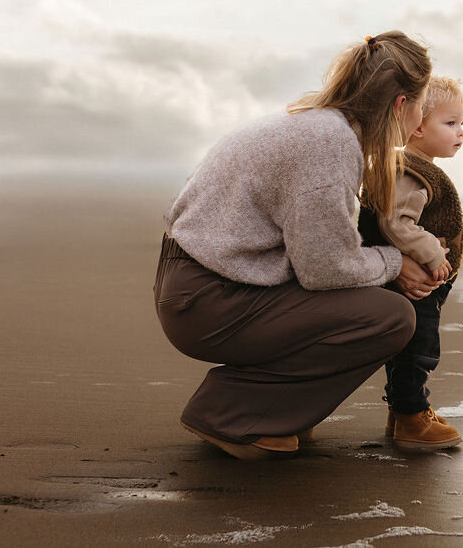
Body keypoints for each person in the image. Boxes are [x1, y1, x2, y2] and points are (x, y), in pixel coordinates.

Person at [153, 31, 443, 460]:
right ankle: (230, 412)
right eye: (421, 106)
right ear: (401, 104)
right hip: (209, 299)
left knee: (367, 298)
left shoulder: (319, 125)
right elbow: (325, 270)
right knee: (391, 317)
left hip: (202, 283)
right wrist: (396, 261)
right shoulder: (330, 145)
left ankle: (275, 410)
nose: (421, 121)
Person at [358, 76, 463, 450]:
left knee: (411, 348)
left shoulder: (418, 168)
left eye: (461, 123)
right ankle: (411, 418)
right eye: (450, 123)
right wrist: (434, 253)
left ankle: (404, 411)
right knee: (419, 349)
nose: (461, 131)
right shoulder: (410, 171)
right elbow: (395, 222)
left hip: (420, 280)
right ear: (419, 126)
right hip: (415, 282)